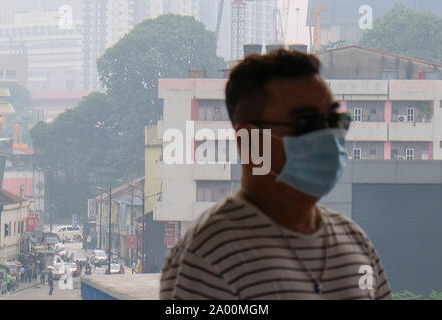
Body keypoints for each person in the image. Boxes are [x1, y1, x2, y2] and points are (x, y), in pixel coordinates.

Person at [160, 49, 393, 300]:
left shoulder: (354, 240)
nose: (328, 137)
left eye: (334, 121)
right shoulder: (210, 253)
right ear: (250, 139)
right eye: (308, 124)